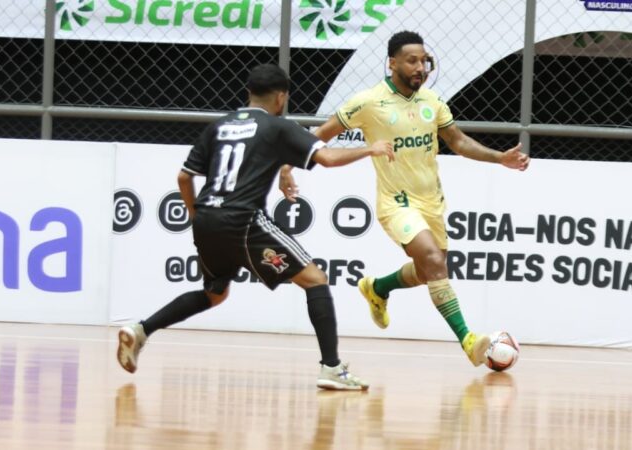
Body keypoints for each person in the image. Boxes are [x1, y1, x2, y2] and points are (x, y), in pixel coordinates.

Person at [116, 64, 394, 391]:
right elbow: (328, 158)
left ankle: (141, 330)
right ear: (281, 97)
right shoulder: (276, 126)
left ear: (249, 93)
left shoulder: (218, 127)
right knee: (315, 279)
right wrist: (370, 149)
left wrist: (197, 216)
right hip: (243, 219)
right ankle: (331, 368)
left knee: (214, 293)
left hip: (206, 218)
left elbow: (183, 178)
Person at [279, 31, 530, 367]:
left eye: (424, 60)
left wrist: (499, 158)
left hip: (432, 202)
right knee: (432, 259)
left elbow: (458, 142)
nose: (420, 67)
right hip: (395, 203)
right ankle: (468, 339)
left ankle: (378, 288)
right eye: (411, 60)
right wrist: (286, 166)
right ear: (392, 62)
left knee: (430, 271)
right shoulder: (368, 102)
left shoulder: (433, 102)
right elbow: (317, 137)